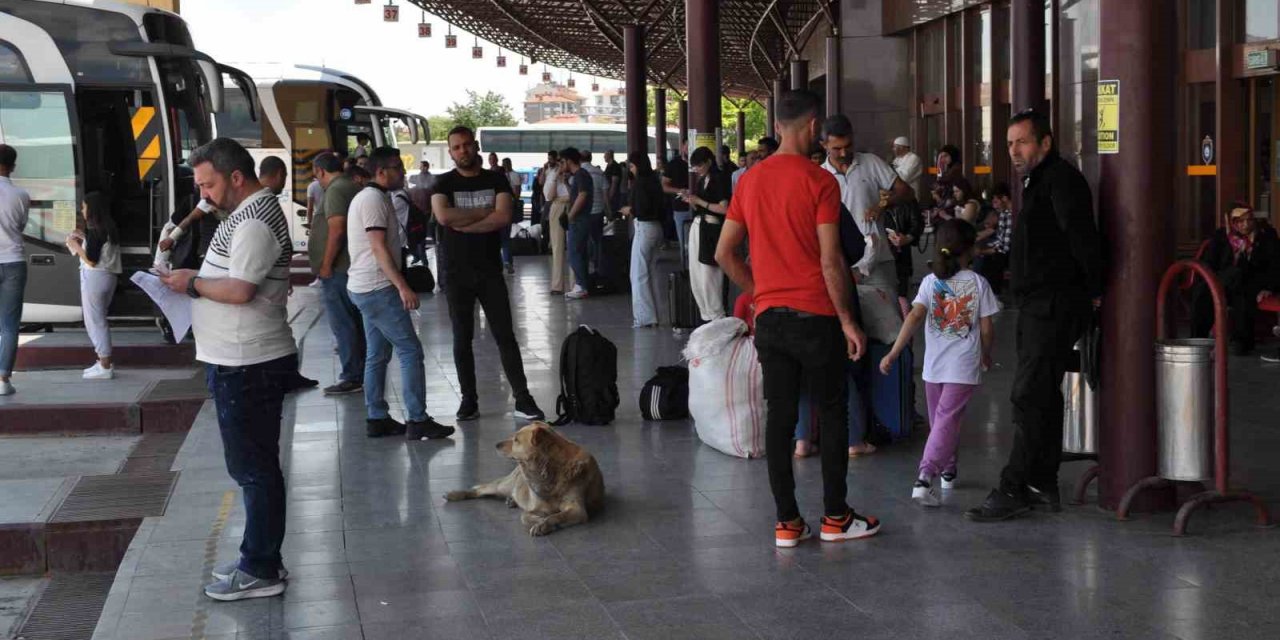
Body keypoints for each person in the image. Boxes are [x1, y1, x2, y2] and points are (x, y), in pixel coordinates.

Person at [716, 90, 879, 548]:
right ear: (812, 128)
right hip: (816, 316)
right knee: (832, 412)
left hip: (771, 320)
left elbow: (723, 253)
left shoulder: (748, 181)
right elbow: (831, 260)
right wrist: (848, 320)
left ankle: (787, 523)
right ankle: (835, 518)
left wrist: (760, 291)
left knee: (781, 419)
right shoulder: (820, 182)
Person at [158, 138, 296, 601]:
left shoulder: (255, 221)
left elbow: (239, 291)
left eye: (209, 184)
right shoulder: (241, 215)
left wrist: (191, 282)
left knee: (254, 469)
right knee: (254, 467)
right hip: (237, 358)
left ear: (236, 177)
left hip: (248, 363)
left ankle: (260, 567)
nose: (205, 195)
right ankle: (261, 559)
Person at [966, 110, 1103, 522]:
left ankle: (1014, 486)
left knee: (1028, 394)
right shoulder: (1037, 182)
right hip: (1037, 305)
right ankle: (1041, 481)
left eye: (1022, 142)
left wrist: (1094, 293)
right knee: (1041, 393)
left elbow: (1083, 240)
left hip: (1055, 305)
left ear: (1045, 142)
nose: (1015, 150)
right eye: (1010, 143)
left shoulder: (1061, 181)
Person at [431, 126, 545, 422]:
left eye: (467, 145)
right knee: (461, 339)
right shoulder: (443, 183)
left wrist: (465, 222)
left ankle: (522, 397)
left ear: (476, 146)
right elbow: (443, 217)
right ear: (451, 151)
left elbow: (504, 217)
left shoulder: (497, 179)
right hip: (456, 273)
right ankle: (469, 400)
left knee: (505, 336)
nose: (463, 151)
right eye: (456, 147)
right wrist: (486, 214)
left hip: (490, 271)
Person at [881, 220, 998, 507]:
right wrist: (985, 353)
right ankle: (936, 473)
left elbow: (913, 318)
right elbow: (986, 328)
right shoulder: (977, 283)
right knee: (944, 422)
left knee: (942, 421)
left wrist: (894, 352)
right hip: (961, 365)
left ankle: (935, 472)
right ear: (970, 249)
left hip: (935, 366)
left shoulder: (930, 282)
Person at [346, 146, 455, 441]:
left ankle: (377, 417)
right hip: (376, 288)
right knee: (410, 351)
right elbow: (378, 247)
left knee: (377, 353)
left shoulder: (375, 197)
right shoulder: (372, 200)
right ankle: (417, 419)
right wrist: (403, 286)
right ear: (380, 172)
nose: (402, 172)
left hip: (367, 287)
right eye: (396, 167)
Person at [820, 115, 915, 340]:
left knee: (891, 327)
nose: (844, 153)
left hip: (879, 262)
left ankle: (893, 369)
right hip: (841, 265)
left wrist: (882, 204)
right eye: (837, 148)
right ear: (824, 145)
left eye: (848, 146)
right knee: (847, 326)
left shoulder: (871, 162)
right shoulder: (820, 177)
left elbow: (906, 192)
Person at [260, 158, 320, 393]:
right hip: (267, 281)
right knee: (274, 329)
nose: (284, 183)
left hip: (276, 278)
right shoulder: (262, 202)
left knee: (282, 329)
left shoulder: (266, 200)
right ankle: (282, 376)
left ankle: (289, 374)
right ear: (277, 174)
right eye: (284, 178)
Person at [309, 153, 365, 396]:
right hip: (348, 267)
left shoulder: (335, 190)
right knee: (353, 323)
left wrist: (326, 264)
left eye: (315, 175)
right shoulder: (349, 186)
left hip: (339, 268)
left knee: (343, 324)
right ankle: (360, 372)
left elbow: (337, 228)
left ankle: (352, 376)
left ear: (321, 171)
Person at [1192, 203, 1280, 356]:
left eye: (1249, 220)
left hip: (1253, 282)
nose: (1245, 225)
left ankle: (1241, 342)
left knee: (1242, 289)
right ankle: (1197, 339)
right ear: (1232, 222)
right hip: (1223, 282)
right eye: (1240, 221)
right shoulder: (1221, 236)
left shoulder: (1266, 235)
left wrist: (1269, 287)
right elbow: (1209, 264)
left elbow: (1275, 265)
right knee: (1204, 291)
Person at [65, 193, 121, 380]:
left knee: (95, 322)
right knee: (99, 319)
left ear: (92, 208)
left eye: (84, 207)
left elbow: (91, 260)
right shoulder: (109, 228)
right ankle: (102, 361)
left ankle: (105, 365)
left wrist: (75, 245)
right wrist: (84, 237)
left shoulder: (96, 231)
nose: (82, 210)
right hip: (109, 277)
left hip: (95, 278)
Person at [680, 146, 731, 322]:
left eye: (699, 166)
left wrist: (700, 201)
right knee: (697, 274)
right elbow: (701, 206)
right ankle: (706, 314)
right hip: (699, 225)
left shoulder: (719, 179)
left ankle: (716, 314)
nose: (697, 170)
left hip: (712, 227)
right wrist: (692, 200)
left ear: (708, 162)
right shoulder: (702, 180)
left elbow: (725, 208)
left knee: (710, 273)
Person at [621, 153, 664, 328]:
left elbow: (641, 209)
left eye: (632, 166)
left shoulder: (640, 184)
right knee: (651, 273)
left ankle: (644, 317)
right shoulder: (654, 180)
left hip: (644, 228)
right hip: (656, 228)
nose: (631, 170)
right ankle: (655, 314)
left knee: (638, 274)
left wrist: (629, 210)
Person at [0, 145, 27, 396]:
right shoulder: (21, 195)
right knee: (9, 325)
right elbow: (19, 226)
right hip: (13, 262)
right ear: (13, 166)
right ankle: (4, 380)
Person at [561, 147, 594, 300]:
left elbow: (582, 195)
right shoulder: (579, 176)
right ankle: (581, 284)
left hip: (579, 220)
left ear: (569, 160)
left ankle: (581, 285)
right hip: (581, 219)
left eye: (563, 161)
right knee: (580, 252)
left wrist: (570, 215)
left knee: (574, 253)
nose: (562, 165)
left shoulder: (581, 174)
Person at [977, 182, 1013, 295]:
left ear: (1005, 199)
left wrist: (984, 251)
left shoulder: (1009, 215)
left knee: (990, 260)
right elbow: (1000, 239)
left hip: (1011, 251)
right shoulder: (1002, 214)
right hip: (1003, 247)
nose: (994, 206)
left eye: (996, 202)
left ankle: (992, 294)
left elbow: (1004, 247)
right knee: (981, 254)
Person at [543, 150, 571, 294]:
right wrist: (556, 178)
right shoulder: (552, 174)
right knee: (558, 246)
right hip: (558, 205)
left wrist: (563, 179)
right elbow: (549, 195)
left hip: (566, 205)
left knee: (565, 246)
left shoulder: (572, 177)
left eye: (563, 162)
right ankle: (559, 285)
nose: (561, 165)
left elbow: (550, 195)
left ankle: (565, 285)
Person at [662, 141, 691, 261]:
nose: (689, 149)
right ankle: (686, 269)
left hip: (701, 208)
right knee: (685, 243)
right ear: (682, 147)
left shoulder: (700, 163)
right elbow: (664, 186)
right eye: (687, 146)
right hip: (681, 208)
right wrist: (680, 191)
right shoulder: (673, 164)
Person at [582, 150, 608, 276]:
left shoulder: (579, 173)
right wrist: (608, 211)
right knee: (598, 240)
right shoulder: (599, 173)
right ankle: (598, 267)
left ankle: (586, 267)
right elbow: (605, 196)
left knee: (584, 241)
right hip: (598, 211)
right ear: (591, 158)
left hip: (584, 212)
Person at [501, 157, 522, 275]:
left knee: (505, 236)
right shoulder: (500, 176)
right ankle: (506, 261)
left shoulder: (514, 175)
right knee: (504, 236)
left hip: (509, 206)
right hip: (503, 207)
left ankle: (507, 261)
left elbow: (517, 193)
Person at [603, 149, 624, 213]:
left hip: (614, 196)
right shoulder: (608, 166)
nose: (604, 157)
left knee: (614, 213)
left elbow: (614, 183)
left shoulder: (615, 166)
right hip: (609, 193)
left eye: (605, 155)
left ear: (609, 156)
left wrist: (609, 197)